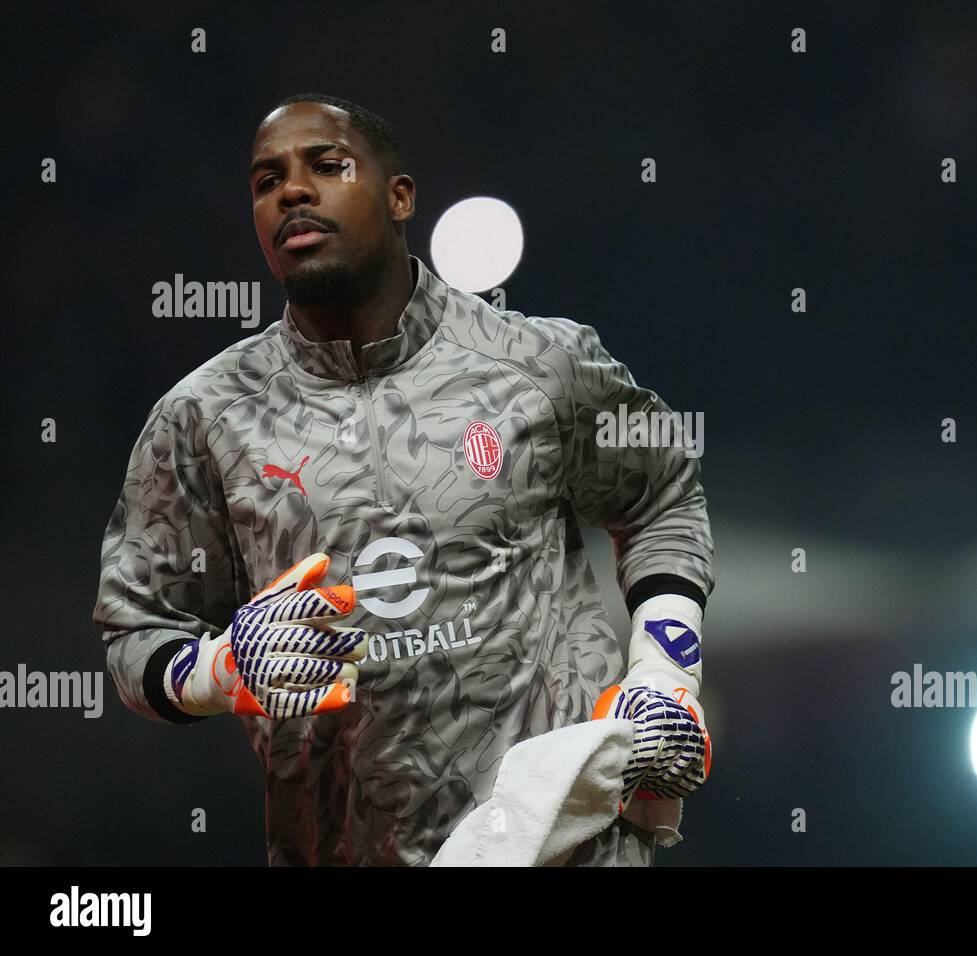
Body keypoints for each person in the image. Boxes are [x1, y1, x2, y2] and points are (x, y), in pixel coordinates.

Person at [92, 93, 714, 866]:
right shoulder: (203, 418)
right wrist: (220, 670)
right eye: (265, 180)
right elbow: (136, 630)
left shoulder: (539, 364)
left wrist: (664, 672)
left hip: (568, 846)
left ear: (399, 197)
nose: (291, 191)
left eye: (327, 165)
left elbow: (662, 491)